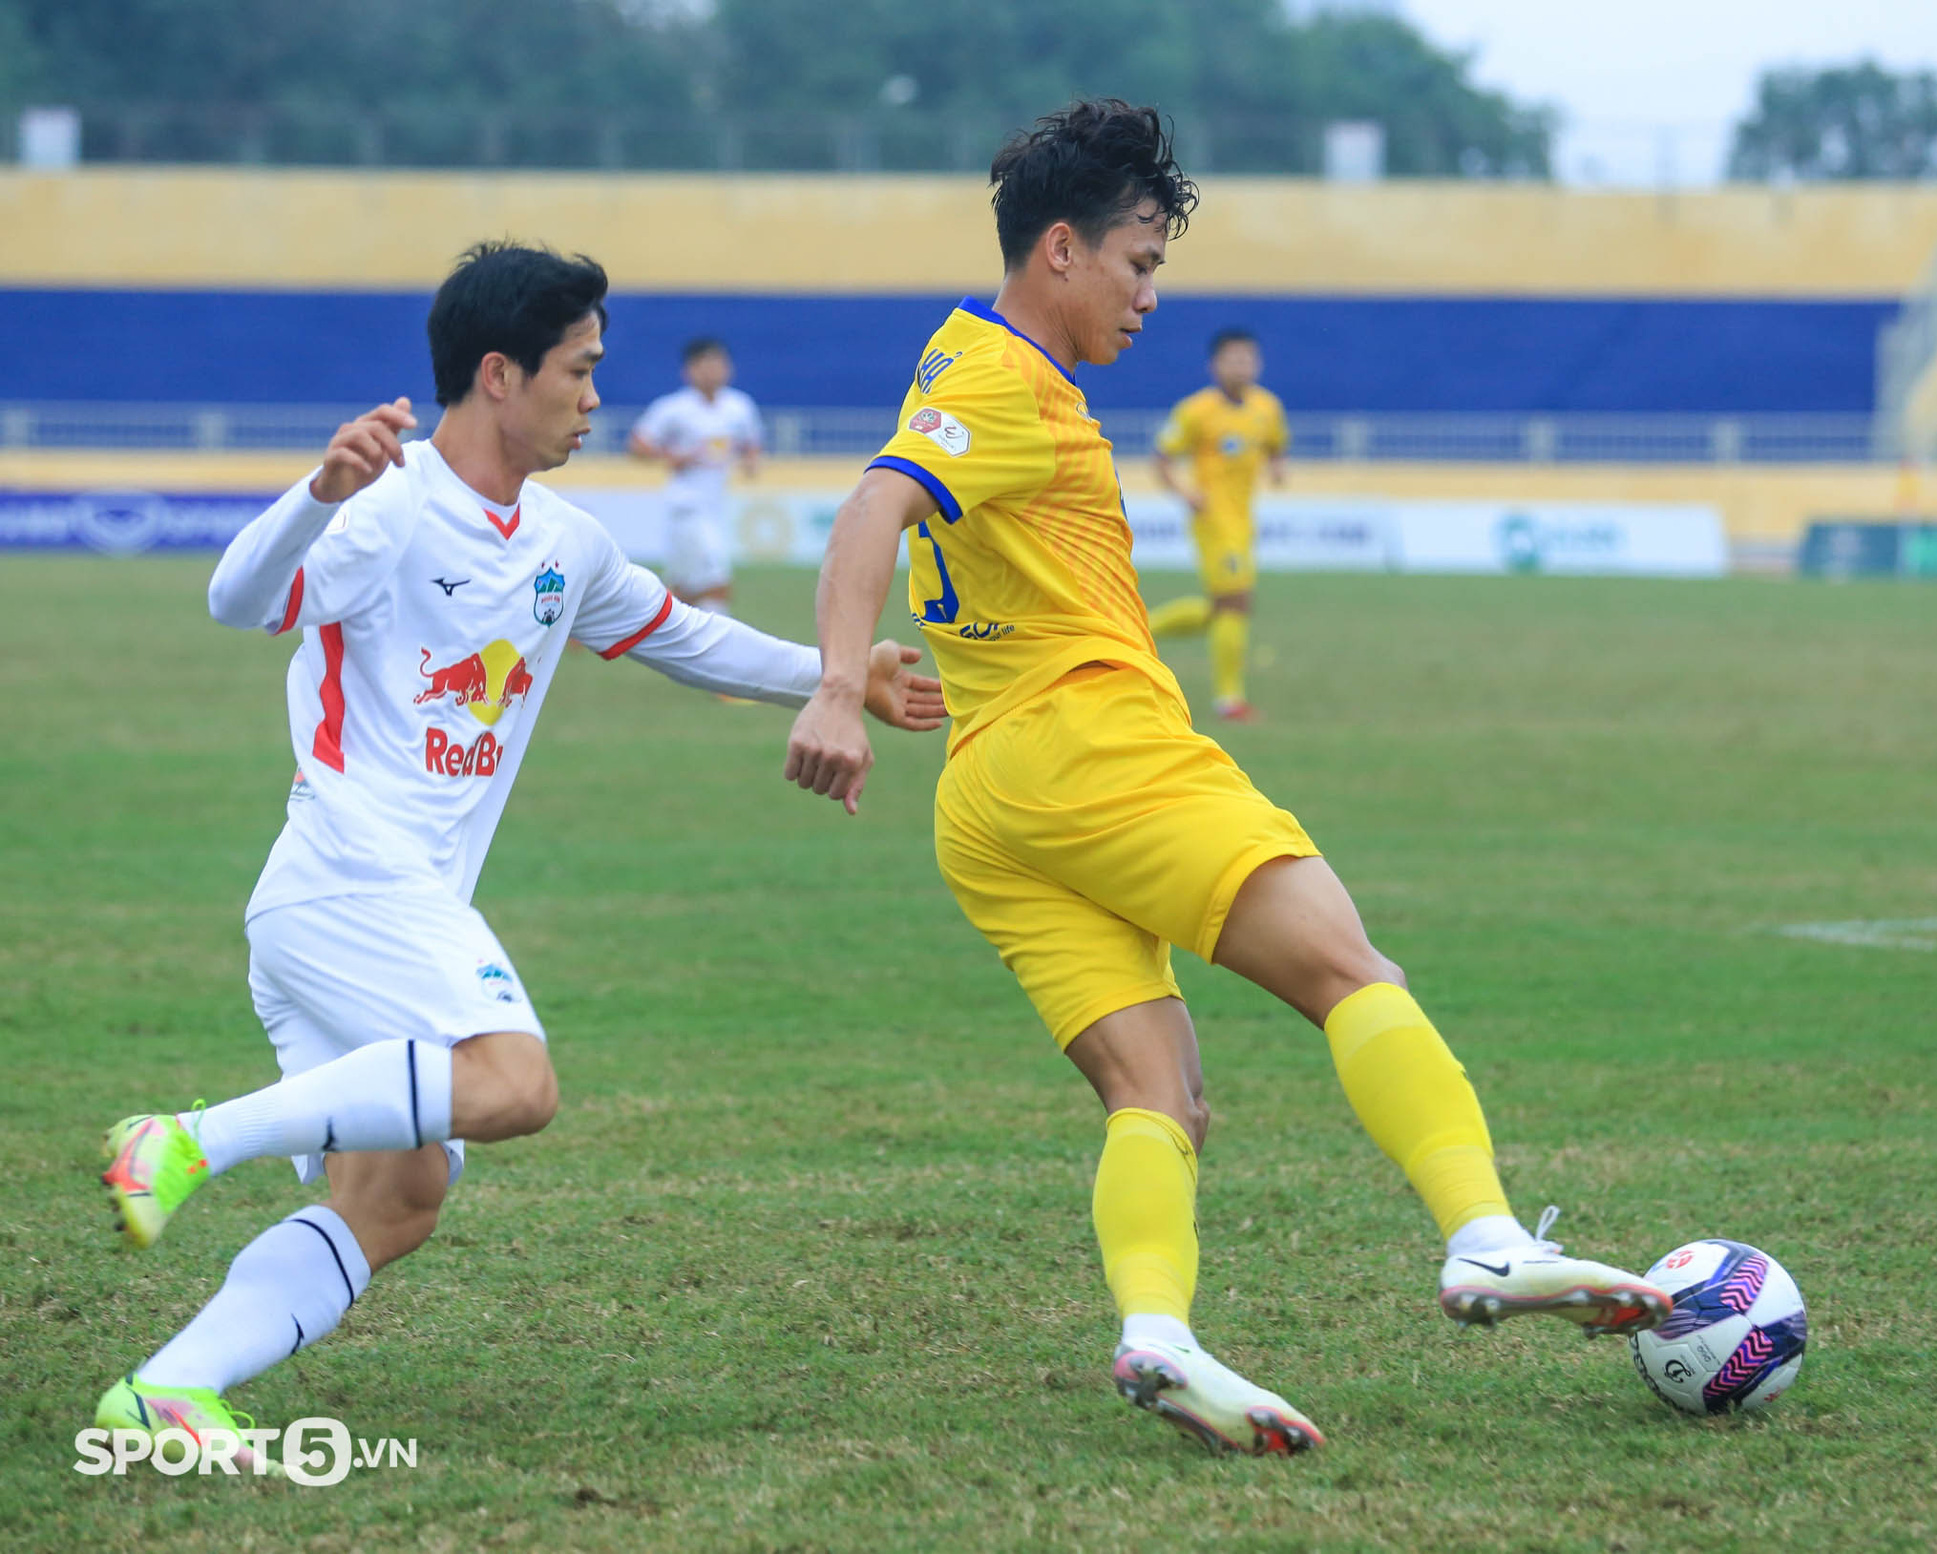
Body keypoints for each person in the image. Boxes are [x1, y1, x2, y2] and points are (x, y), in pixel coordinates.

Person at [782, 102, 1668, 1458]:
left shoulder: (958, 356)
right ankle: (1485, 1238)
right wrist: (837, 687)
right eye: (1139, 263)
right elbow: (871, 506)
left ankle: (1158, 1333)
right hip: (1095, 748)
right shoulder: (1005, 382)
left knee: (1160, 1094)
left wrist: (903, 667)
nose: (1149, 296)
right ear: (1062, 249)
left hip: (992, 792)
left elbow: (931, 518)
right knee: (1350, 969)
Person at [95, 243, 943, 1457]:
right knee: (514, 1083)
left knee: (399, 1198)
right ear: (500, 374)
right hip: (351, 877)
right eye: (579, 370)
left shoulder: (565, 543)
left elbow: (684, 639)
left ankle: (165, 1392)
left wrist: (843, 676)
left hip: (354, 908)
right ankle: (184, 1140)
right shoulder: (385, 507)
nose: (596, 397)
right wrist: (319, 492)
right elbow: (238, 599)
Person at [1147, 328, 1288, 721]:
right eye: (1233, 359)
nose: (1242, 366)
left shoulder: (1267, 407)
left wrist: (1278, 467)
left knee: (1222, 608)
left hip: (1244, 521)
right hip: (1212, 520)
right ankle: (1229, 700)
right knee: (1237, 603)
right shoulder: (1196, 411)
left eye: (1248, 358)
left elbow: (1276, 444)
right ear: (1216, 365)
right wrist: (1186, 493)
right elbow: (1161, 458)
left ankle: (1137, 631)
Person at [627, 337, 764, 614]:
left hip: (716, 506)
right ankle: (719, 649)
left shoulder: (739, 407)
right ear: (689, 371)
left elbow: (751, 443)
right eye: (705, 365)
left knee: (683, 592)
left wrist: (750, 461)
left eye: (719, 364)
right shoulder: (674, 409)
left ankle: (617, 619)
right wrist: (673, 457)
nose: (713, 371)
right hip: (686, 507)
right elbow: (637, 444)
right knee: (717, 580)